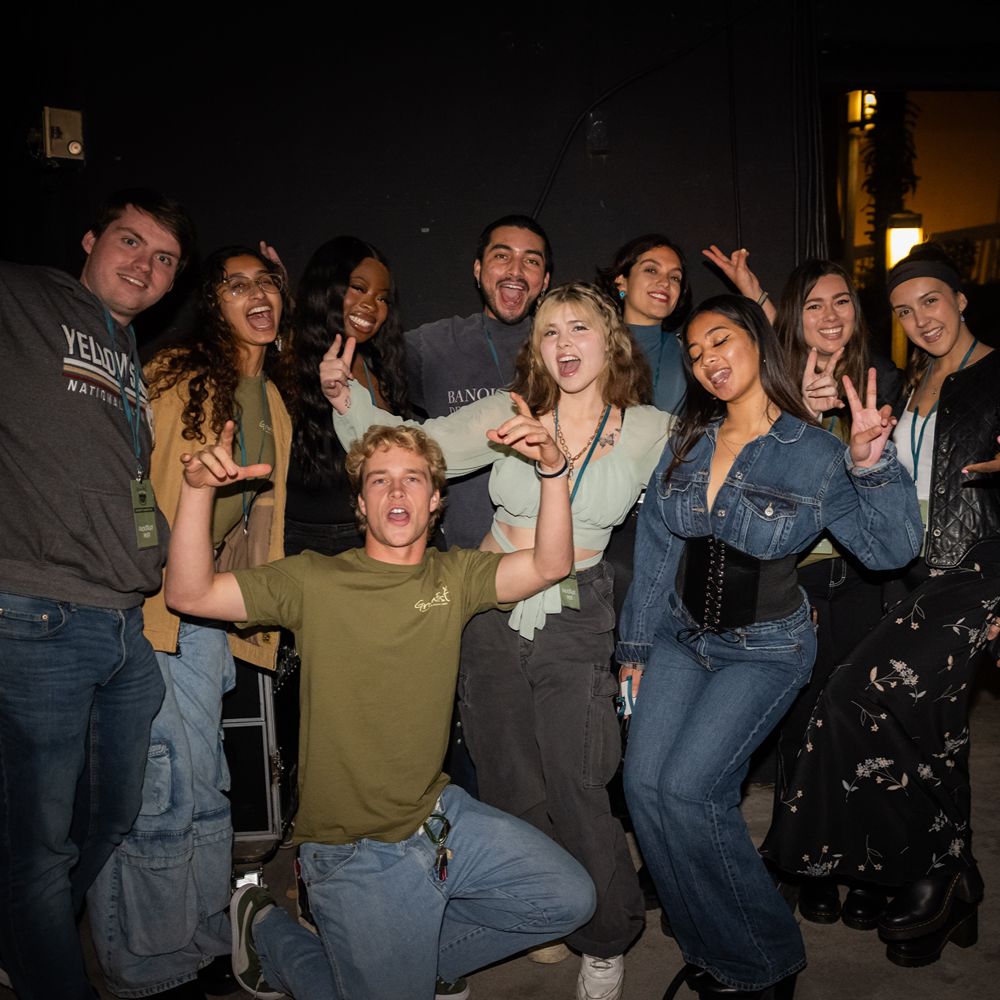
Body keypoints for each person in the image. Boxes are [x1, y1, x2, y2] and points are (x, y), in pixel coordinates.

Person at [160, 415, 595, 1000]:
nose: (396, 491)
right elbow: (189, 593)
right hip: (351, 852)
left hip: (439, 820)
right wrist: (196, 491)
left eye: (413, 479)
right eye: (379, 480)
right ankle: (266, 928)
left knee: (568, 899)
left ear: (436, 500)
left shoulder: (455, 575)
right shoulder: (315, 579)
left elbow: (551, 564)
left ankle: (408, 961)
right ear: (361, 504)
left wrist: (553, 468)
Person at [326, 282, 670, 1000]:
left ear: (610, 340)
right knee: (510, 776)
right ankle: (541, 908)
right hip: (491, 603)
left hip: (577, 611)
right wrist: (347, 400)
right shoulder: (508, 410)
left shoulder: (649, 429)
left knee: (579, 780)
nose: (563, 344)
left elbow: (706, 500)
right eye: (548, 332)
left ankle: (605, 938)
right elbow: (414, 446)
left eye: (578, 328)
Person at [617, 294, 922, 998]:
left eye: (720, 341)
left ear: (756, 341)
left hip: (764, 650)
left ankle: (765, 959)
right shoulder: (687, 439)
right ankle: (708, 943)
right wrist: (633, 644)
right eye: (693, 354)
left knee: (692, 793)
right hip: (678, 639)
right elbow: (659, 549)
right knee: (644, 788)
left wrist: (872, 465)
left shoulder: (814, 453)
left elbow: (890, 550)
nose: (707, 361)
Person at [760, 245, 1000, 967]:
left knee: (857, 694)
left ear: (961, 300)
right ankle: (951, 882)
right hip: (919, 573)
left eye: (931, 301)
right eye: (903, 309)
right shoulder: (916, 377)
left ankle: (925, 866)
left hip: (980, 572)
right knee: (931, 728)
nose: (919, 318)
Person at [0, 189, 195, 1000]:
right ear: (89, 240)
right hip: (36, 613)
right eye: (129, 241)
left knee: (112, 818)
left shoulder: (127, 354)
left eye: (163, 260)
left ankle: (22, 942)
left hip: (122, 626)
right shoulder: (28, 299)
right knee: (38, 848)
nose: (143, 265)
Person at [87, 246, 296, 998]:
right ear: (212, 303)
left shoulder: (266, 393)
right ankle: (142, 965)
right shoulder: (176, 375)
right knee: (162, 785)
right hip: (152, 602)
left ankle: (204, 938)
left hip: (206, 602)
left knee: (206, 779)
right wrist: (142, 576)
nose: (256, 293)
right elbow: (120, 476)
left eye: (266, 281)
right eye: (235, 284)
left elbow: (258, 521)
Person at [771, 259, 905, 928]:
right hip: (794, 582)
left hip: (864, 581)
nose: (830, 315)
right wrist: (796, 408)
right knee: (801, 726)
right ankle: (808, 860)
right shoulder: (772, 388)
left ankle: (861, 862)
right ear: (793, 316)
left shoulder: (883, 383)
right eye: (815, 304)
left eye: (843, 302)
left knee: (857, 726)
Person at [404, 214, 552, 549]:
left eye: (530, 261)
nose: (515, 270)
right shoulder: (433, 344)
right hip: (456, 560)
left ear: (544, 280)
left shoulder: (566, 350)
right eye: (502, 256)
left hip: (544, 558)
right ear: (477, 269)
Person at [285, 235, 410, 558]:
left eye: (383, 298)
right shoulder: (287, 363)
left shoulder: (382, 364)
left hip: (389, 535)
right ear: (328, 288)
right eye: (358, 287)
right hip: (314, 549)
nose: (371, 305)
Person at [598, 233, 691, 415]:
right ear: (621, 282)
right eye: (651, 270)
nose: (664, 282)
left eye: (675, 278)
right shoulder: (588, 343)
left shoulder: (689, 353)